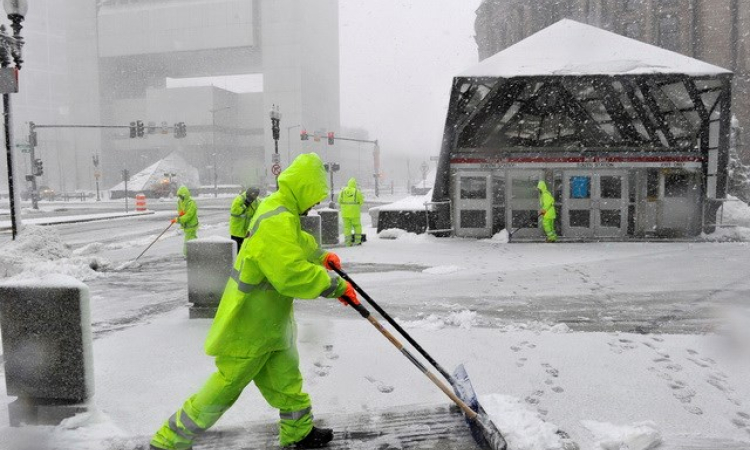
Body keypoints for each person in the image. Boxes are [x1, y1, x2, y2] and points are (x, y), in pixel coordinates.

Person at [149, 153, 360, 450]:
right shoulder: (277, 217)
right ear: (303, 188)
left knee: (287, 379)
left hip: (271, 320)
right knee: (225, 387)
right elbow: (289, 274)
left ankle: (298, 432)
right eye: (314, 197)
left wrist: (320, 257)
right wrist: (334, 284)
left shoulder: (281, 210)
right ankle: (168, 441)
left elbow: (294, 245)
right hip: (249, 323)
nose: (315, 205)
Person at [229, 186, 260, 251]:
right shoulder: (239, 199)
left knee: (245, 251)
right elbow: (234, 212)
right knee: (236, 251)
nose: (254, 198)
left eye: (256, 196)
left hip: (247, 232)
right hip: (237, 231)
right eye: (253, 195)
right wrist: (245, 205)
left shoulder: (256, 201)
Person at [171, 185, 199, 255]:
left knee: (188, 241)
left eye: (181, 196)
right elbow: (181, 210)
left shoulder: (191, 203)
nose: (180, 198)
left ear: (185, 195)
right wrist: (180, 214)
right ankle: (195, 253)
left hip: (191, 226)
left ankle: (188, 255)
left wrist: (179, 219)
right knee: (192, 240)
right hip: (186, 226)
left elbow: (189, 215)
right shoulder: (180, 202)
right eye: (179, 196)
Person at [337, 177, 365, 246]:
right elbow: (361, 202)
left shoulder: (342, 191)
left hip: (345, 213)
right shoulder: (357, 191)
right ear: (355, 184)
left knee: (347, 227)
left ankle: (348, 242)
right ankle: (358, 241)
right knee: (357, 226)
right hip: (355, 213)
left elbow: (339, 201)